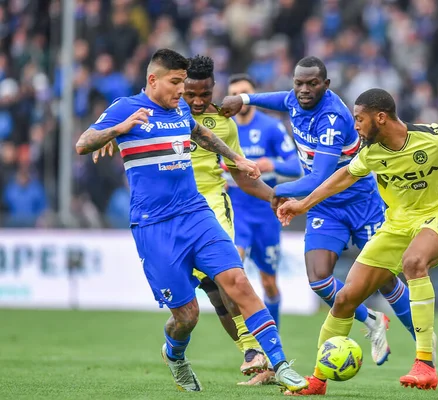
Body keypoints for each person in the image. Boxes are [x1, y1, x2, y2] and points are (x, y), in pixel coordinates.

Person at [277, 88, 438, 393]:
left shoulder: (434, 137)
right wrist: (303, 203)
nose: (356, 126)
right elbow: (344, 177)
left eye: (360, 119)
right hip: (399, 222)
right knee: (345, 298)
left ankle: (425, 364)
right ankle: (318, 379)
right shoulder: (370, 153)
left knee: (414, 262)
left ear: (380, 117)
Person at [75, 48, 307, 393]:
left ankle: (280, 363)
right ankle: (175, 355)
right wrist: (117, 130)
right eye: (175, 82)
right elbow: (83, 143)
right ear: (153, 80)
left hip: (196, 213)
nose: (181, 91)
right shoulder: (125, 108)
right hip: (154, 226)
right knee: (187, 316)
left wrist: (236, 159)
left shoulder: (179, 106)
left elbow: (199, 133)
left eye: (184, 83)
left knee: (237, 282)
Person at [220, 57, 416, 381]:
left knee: (385, 278)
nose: (304, 90)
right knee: (319, 280)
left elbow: (319, 178)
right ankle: (371, 321)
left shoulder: (334, 118)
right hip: (325, 207)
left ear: (326, 85)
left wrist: (276, 191)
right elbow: (278, 98)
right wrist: (244, 99)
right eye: (299, 83)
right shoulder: (294, 99)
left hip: (360, 202)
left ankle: (424, 349)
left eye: (312, 84)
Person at [183, 55, 275, 380]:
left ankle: (256, 351)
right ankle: (259, 358)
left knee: (228, 274)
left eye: (204, 94)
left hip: (210, 202)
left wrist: (274, 196)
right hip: (173, 211)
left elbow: (242, 175)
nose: (197, 100)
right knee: (212, 292)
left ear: (213, 88)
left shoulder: (224, 124)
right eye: (190, 93)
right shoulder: (163, 115)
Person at [225, 73, 303, 385]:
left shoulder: (270, 128)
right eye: (234, 94)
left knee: (269, 284)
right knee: (234, 272)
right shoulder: (223, 128)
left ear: (252, 96)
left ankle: (272, 353)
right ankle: (251, 350)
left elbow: (295, 165)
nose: (239, 99)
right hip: (236, 211)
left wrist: (270, 164)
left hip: (267, 211)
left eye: (244, 93)